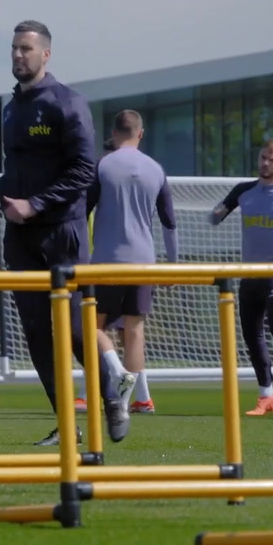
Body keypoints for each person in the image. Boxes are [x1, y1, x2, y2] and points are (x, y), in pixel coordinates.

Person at [0, 19, 128, 446]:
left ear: (45, 54)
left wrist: (35, 204)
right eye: (15, 48)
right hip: (20, 237)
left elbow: (84, 171)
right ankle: (66, 424)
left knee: (71, 327)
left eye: (27, 49)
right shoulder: (10, 108)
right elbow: (15, 169)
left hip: (62, 232)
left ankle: (112, 393)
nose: (19, 55)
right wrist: (5, 195)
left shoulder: (67, 103)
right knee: (36, 331)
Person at [211, 138, 273, 416]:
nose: (266, 163)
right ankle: (266, 395)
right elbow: (219, 212)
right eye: (263, 158)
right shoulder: (244, 191)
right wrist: (217, 214)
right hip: (248, 274)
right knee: (251, 334)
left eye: (272, 159)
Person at [86, 110, 176, 415]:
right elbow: (169, 223)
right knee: (135, 330)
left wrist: (78, 255)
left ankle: (108, 385)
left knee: (92, 327)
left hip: (107, 262)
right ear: (141, 133)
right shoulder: (156, 169)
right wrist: (172, 264)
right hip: (144, 262)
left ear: (114, 133)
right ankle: (126, 403)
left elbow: (82, 211)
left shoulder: (103, 165)